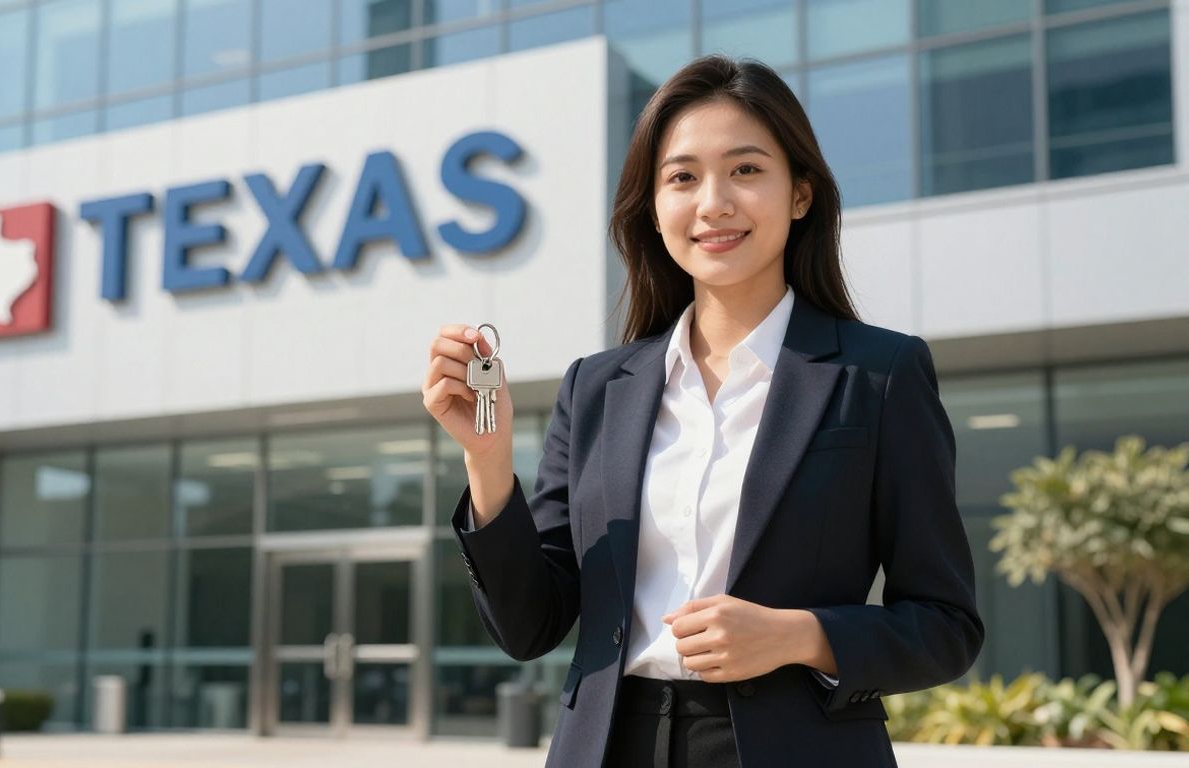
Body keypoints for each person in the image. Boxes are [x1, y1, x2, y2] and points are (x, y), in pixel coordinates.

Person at [421, 54, 983, 768]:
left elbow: (945, 626)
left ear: (801, 194)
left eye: (746, 170)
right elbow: (530, 627)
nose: (712, 202)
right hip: (609, 746)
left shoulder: (879, 376)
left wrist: (799, 635)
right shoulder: (596, 389)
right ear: (653, 210)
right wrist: (489, 462)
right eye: (682, 177)